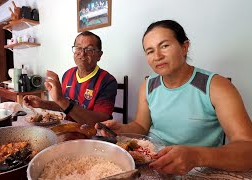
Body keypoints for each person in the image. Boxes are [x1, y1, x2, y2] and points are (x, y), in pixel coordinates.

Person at [96, 20, 252, 175]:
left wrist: (196, 156)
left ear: (184, 47)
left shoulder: (216, 86)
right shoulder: (148, 85)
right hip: (154, 165)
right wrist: (122, 129)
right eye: (150, 51)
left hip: (200, 170)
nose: (157, 56)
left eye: (164, 46)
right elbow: (141, 127)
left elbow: (248, 149)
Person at [23, 31, 117, 126]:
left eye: (89, 49)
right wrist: (42, 103)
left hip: (94, 134)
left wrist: (61, 100)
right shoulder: (68, 74)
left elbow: (100, 122)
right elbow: (65, 106)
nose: (82, 53)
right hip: (69, 127)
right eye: (78, 48)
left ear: (99, 55)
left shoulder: (108, 81)